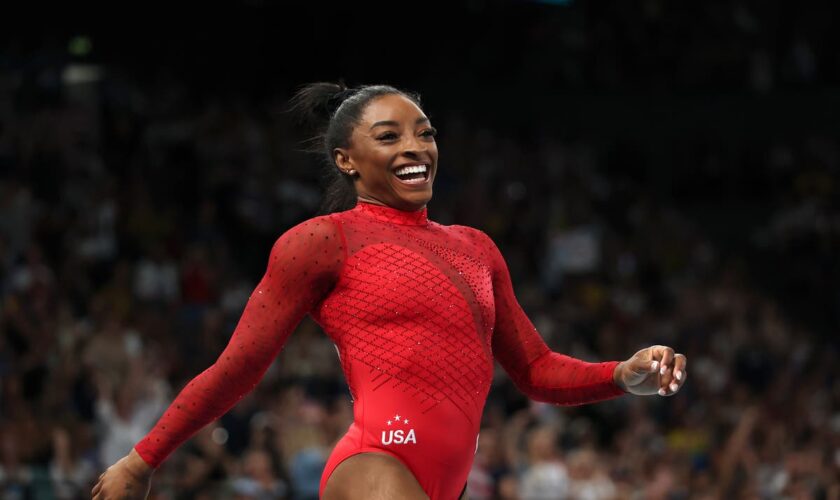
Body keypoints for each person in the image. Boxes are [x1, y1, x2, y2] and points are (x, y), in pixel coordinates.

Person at [92, 83, 687, 500]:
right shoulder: (321, 242)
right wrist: (142, 459)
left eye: (424, 134)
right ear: (347, 159)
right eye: (389, 136)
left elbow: (534, 369)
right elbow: (239, 369)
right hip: (376, 463)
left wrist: (619, 374)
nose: (415, 147)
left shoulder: (477, 247)